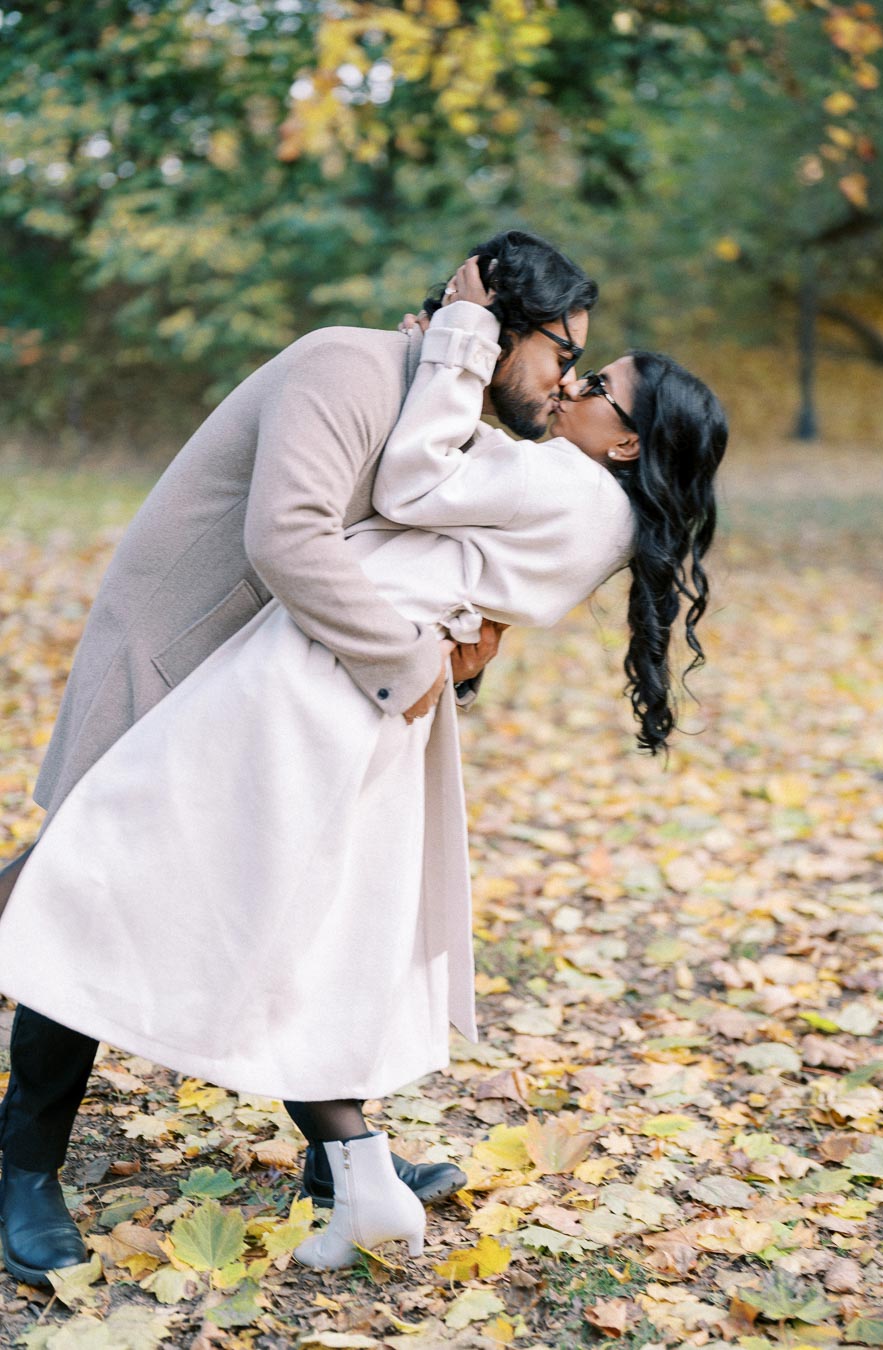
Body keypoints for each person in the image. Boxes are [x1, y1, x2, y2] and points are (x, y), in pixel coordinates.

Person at [0, 263, 727, 1275]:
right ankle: (37, 1165)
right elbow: (295, 536)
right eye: (566, 354)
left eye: (590, 377)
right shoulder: (351, 365)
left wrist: (448, 639)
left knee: (264, 906)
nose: (567, 382)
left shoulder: (529, 461)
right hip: (194, 649)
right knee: (95, 880)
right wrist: (424, 651)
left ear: (629, 439)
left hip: (305, 686)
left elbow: (430, 531)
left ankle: (345, 1161)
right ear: (502, 329)